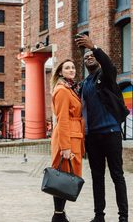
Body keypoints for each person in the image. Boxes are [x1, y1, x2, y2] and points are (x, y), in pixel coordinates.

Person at [75, 34, 129, 222]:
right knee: (97, 177)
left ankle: (123, 217)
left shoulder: (105, 77)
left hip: (111, 133)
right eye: (85, 57)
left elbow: (110, 66)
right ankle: (99, 216)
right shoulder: (84, 84)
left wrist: (94, 47)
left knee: (117, 175)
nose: (88, 57)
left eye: (91, 55)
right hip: (93, 137)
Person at [49, 59, 84, 222]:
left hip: (72, 135)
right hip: (67, 137)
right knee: (62, 176)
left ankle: (60, 214)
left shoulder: (70, 88)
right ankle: (58, 216)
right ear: (60, 72)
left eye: (73, 67)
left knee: (66, 175)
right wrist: (65, 146)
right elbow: (62, 119)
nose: (71, 70)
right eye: (67, 68)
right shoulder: (62, 90)